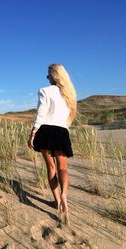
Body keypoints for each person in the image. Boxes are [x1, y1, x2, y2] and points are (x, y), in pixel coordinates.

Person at [28, 63, 77, 215]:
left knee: (51, 168)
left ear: (53, 76)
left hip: (46, 131)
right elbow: (68, 117)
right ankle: (64, 195)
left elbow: (41, 113)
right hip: (62, 131)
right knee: (63, 167)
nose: (47, 78)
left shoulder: (44, 91)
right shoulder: (69, 93)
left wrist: (33, 133)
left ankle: (57, 202)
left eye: (48, 75)